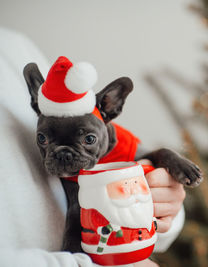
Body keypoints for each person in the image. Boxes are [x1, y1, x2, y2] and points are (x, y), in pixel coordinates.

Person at [0, 27, 186, 267]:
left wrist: (167, 209)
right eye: (45, 140)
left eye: (87, 140)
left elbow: (161, 223)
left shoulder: (14, 46)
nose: (64, 155)